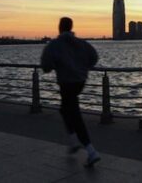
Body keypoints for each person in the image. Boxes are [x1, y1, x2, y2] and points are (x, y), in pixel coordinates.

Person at [40, 17, 101, 167]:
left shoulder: (54, 45)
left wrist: (55, 65)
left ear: (59, 28)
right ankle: (73, 141)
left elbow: (45, 65)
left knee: (74, 114)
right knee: (64, 109)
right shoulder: (82, 43)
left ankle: (91, 150)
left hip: (66, 82)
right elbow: (94, 57)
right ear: (71, 27)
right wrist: (83, 67)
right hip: (80, 81)